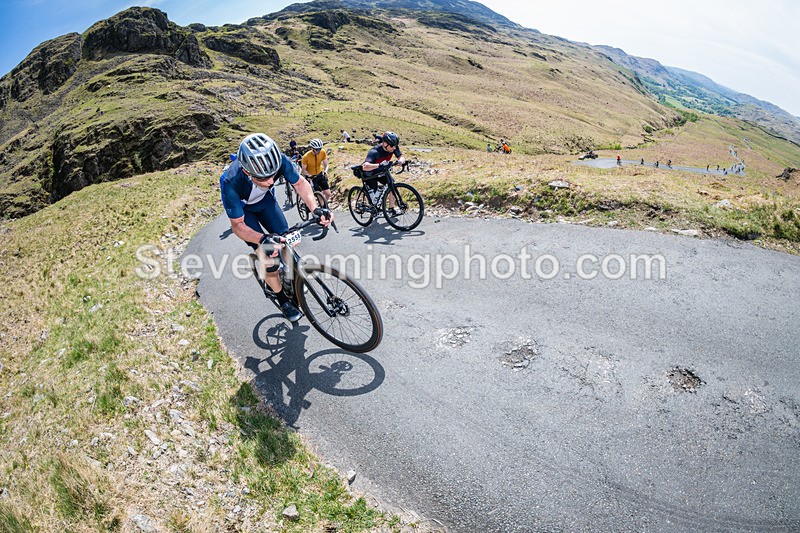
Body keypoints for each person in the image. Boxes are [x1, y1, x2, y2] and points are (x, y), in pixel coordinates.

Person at [221, 133, 332, 322]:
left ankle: (291, 278)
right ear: (247, 172)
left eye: (273, 175)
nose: (271, 182)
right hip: (245, 213)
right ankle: (282, 300)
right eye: (263, 178)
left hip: (265, 203)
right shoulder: (230, 181)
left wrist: (315, 208)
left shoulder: (279, 160)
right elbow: (237, 226)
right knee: (268, 256)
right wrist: (262, 239)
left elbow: (300, 183)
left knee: (287, 240)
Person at [361, 131, 406, 213]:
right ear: (385, 143)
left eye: (395, 146)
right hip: (370, 174)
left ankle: (391, 208)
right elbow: (365, 166)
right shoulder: (374, 152)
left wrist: (401, 161)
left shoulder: (393, 147)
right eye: (392, 146)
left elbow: (400, 156)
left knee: (392, 185)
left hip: (381, 172)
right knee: (374, 197)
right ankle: (371, 208)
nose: (394, 148)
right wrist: (379, 165)